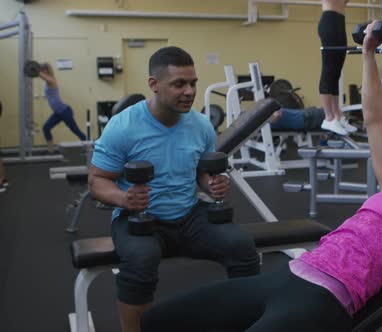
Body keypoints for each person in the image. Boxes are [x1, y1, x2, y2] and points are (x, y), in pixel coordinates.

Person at [140, 15, 382, 332]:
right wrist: (368, 54)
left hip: (322, 301)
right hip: (288, 276)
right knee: (158, 320)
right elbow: (376, 122)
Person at [88, 46, 260, 332]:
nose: (189, 91)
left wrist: (212, 183)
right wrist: (125, 198)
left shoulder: (201, 125)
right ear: (154, 85)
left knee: (241, 245)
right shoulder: (123, 126)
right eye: (179, 84)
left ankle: (245, 323)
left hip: (189, 214)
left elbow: (200, 172)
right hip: (140, 219)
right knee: (141, 260)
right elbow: (97, 181)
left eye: (193, 83)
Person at [318, 0, 357, 135]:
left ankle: (337, 116)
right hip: (329, 21)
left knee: (336, 72)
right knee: (328, 70)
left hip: (339, 22)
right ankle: (328, 118)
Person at [38, 64, 87, 152]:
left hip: (64, 111)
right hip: (58, 113)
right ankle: (51, 149)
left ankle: (90, 146)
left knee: (75, 130)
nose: (42, 71)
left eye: (43, 70)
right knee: (46, 128)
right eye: (41, 70)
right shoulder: (47, 81)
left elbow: (43, 77)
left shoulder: (51, 80)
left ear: (47, 71)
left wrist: (37, 71)